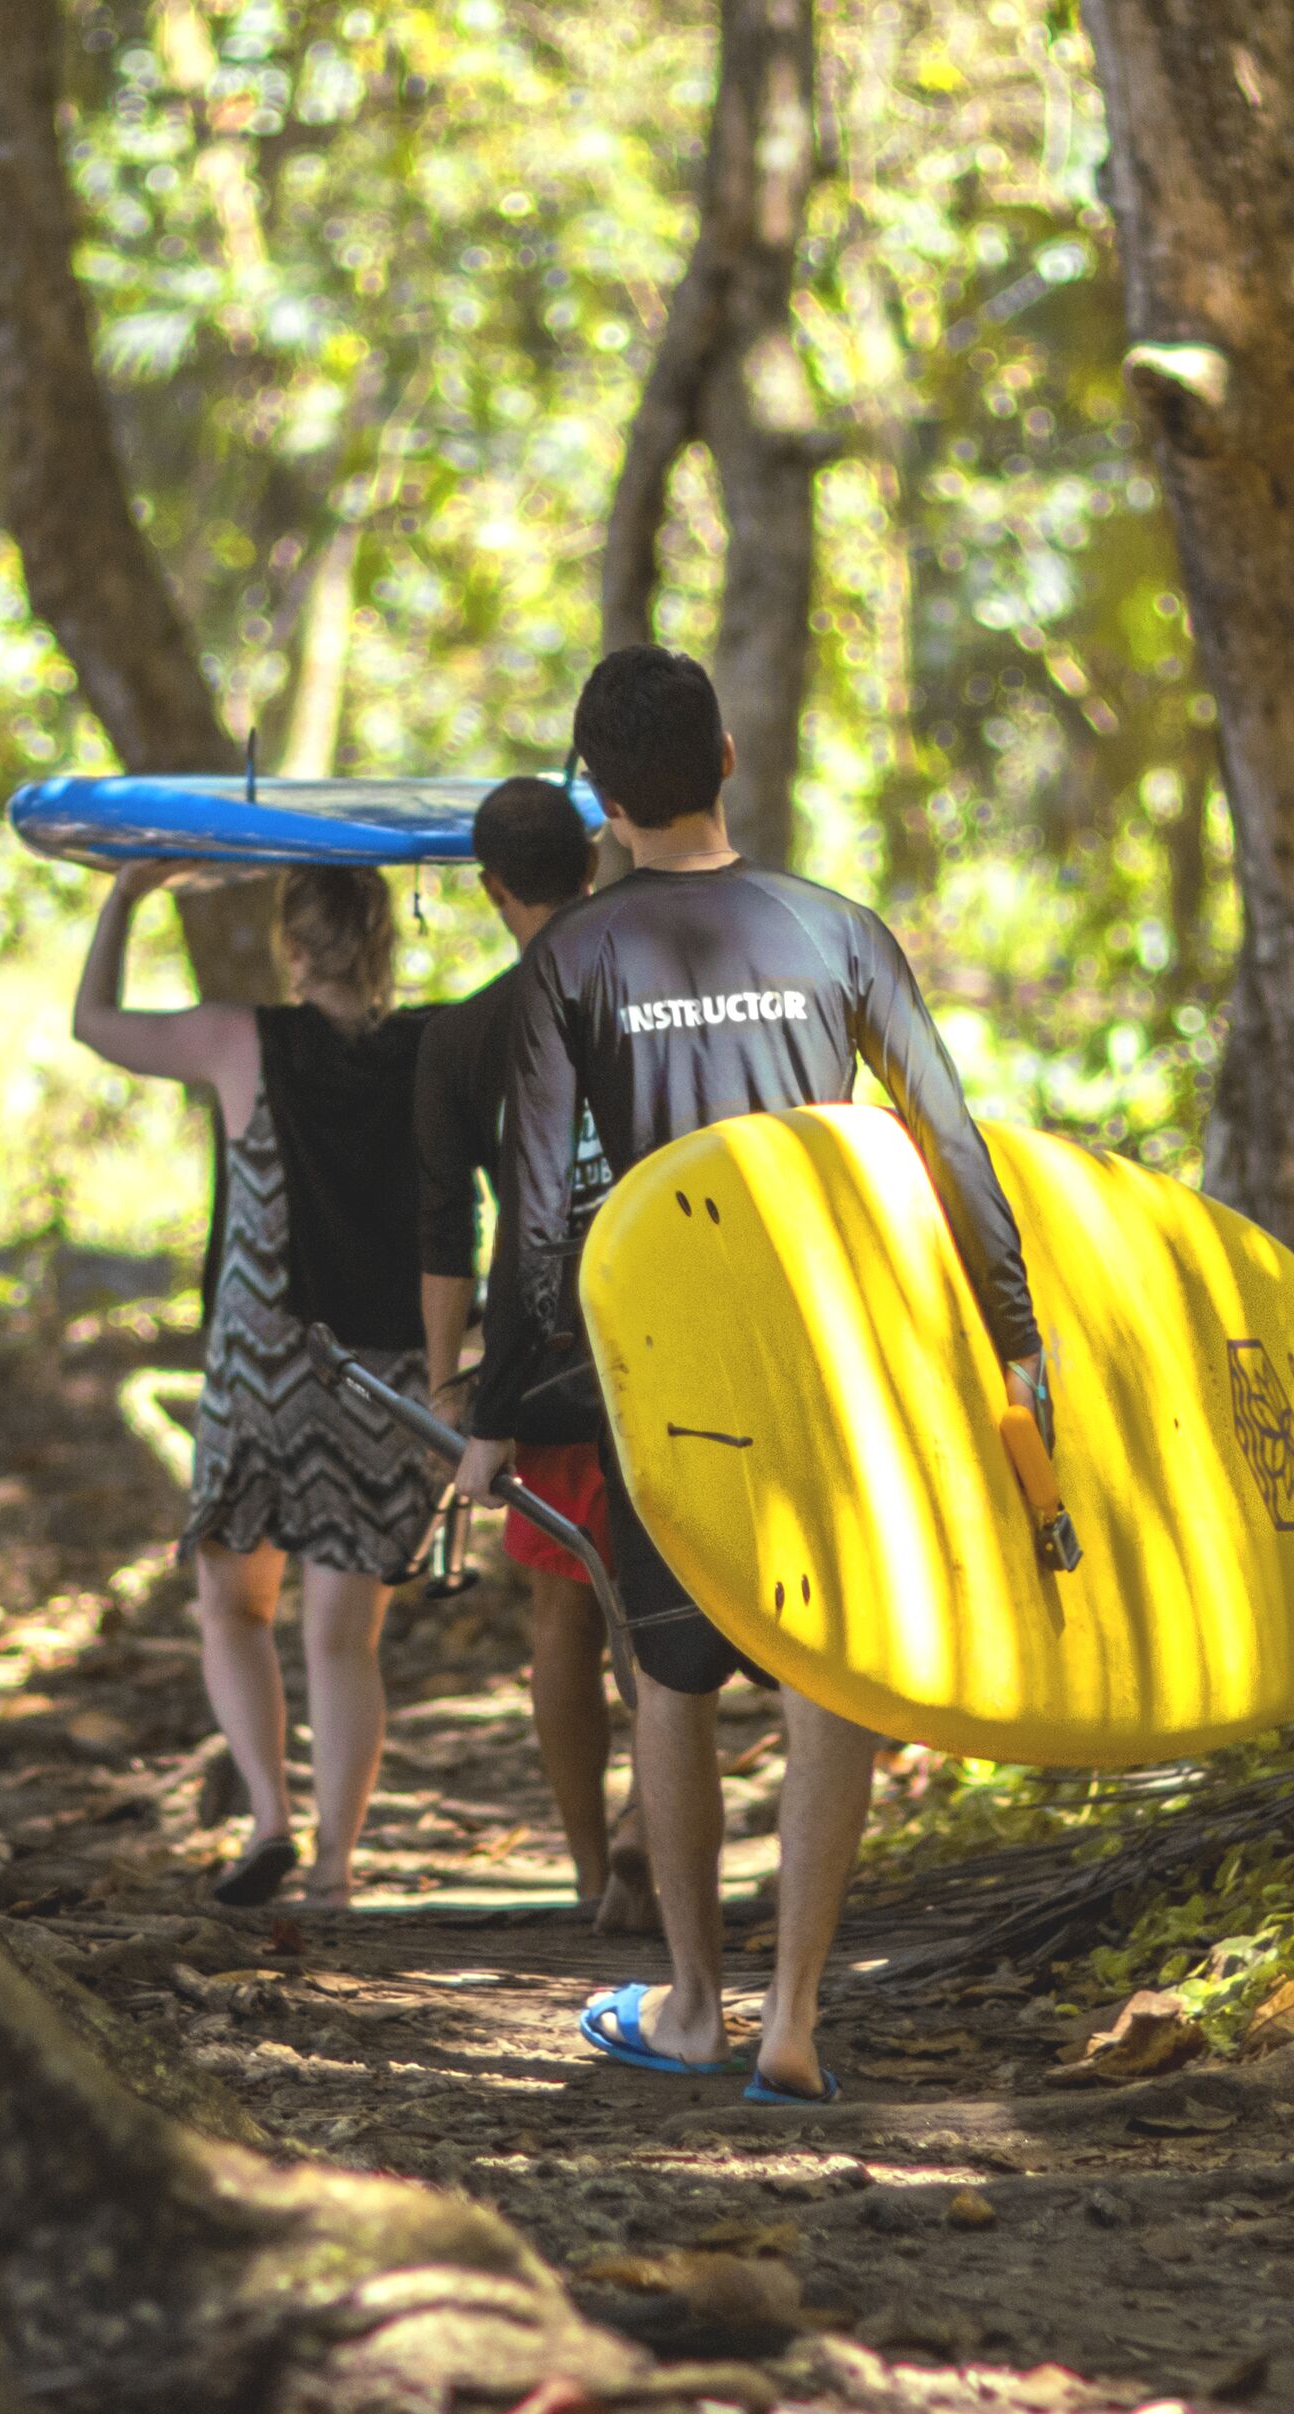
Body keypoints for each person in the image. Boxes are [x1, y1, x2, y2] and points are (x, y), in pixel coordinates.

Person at [456, 646, 1045, 2104]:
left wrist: (505, 1406)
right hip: (832, 1359)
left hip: (664, 1374)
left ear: (600, 800)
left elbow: (535, 1218)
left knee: (674, 1672)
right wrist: (1016, 1335)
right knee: (826, 1668)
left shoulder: (569, 961)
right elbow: (947, 1142)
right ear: (725, 759)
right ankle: (795, 2016)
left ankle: (695, 2005)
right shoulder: (834, 927)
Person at [73, 859, 442, 1908]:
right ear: (385, 944)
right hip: (384, 1369)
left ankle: (270, 1819)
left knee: (232, 1605)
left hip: (265, 1361)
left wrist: (130, 893)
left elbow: (95, 1021)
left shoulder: (243, 1038)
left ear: (292, 944)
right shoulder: (428, 1046)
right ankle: (334, 1865)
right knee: (344, 1634)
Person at [413, 777, 651, 1934]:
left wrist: (447, 1381)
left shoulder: (464, 1034)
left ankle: (590, 1872)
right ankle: (653, 1842)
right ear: (592, 866)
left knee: (564, 1613)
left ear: (491, 887)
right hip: (669, 1334)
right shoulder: (653, 990)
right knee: (660, 1612)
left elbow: (444, 1225)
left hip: (542, 1356)